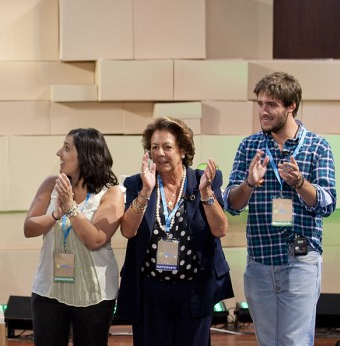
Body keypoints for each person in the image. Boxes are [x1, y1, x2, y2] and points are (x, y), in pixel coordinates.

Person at [224, 72, 336, 346]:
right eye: (260, 104)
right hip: (260, 261)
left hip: (300, 260)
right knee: (268, 342)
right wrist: (249, 183)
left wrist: (299, 183)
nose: (263, 111)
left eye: (271, 105)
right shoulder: (249, 146)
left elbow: (327, 203)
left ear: (291, 106)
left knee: (294, 341)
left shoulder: (317, 147)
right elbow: (231, 203)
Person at [115, 117, 234, 346]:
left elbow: (220, 229)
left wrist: (206, 194)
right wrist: (146, 192)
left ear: (182, 150)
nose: (159, 153)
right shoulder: (137, 183)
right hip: (150, 291)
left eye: (167, 147)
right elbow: (128, 231)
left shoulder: (203, 181)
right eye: (154, 147)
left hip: (194, 289)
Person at [24, 128, 124, 346]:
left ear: (87, 155)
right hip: (50, 288)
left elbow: (96, 239)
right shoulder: (52, 183)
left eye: (67, 148)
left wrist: (70, 208)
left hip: (94, 292)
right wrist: (55, 214)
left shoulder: (111, 192)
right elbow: (29, 228)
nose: (59, 153)